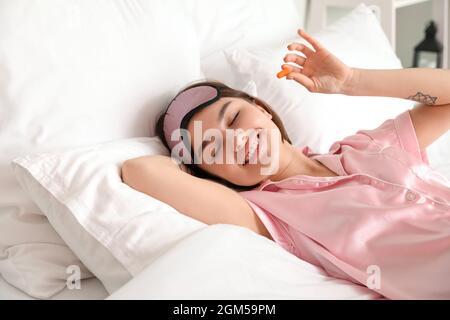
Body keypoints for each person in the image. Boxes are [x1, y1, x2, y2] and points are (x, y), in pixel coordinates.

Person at [121, 29, 450, 299]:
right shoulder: (268, 213)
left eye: (234, 118)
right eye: (213, 147)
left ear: (262, 108)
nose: (236, 140)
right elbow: (141, 171)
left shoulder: (364, 148)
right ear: (211, 174)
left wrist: (352, 81)